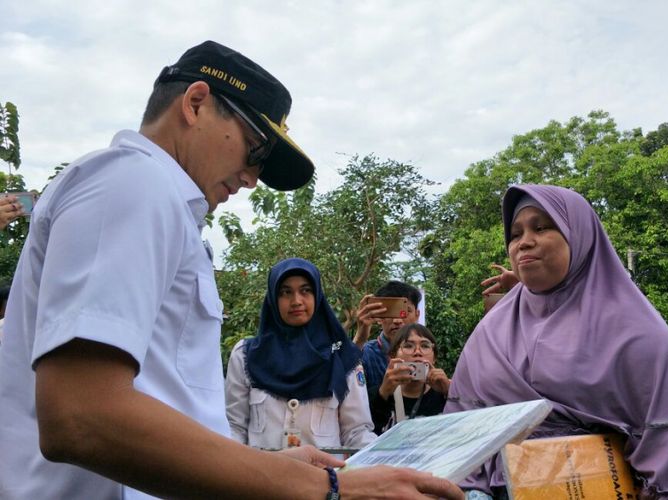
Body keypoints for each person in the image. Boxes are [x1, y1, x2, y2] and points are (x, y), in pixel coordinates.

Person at [0, 41, 463, 500]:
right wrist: (327, 488)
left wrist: (263, 469)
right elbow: (82, 416)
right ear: (196, 103)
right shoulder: (132, 183)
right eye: (254, 149)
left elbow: (164, 399)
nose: (251, 177)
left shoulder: (157, 201)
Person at [445, 184, 668, 498]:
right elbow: (460, 435)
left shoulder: (636, 333)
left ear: (579, 237)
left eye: (541, 228)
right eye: (515, 234)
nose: (524, 242)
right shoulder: (491, 332)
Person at [225, 257, 377, 449]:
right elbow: (234, 427)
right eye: (285, 292)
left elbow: (356, 432)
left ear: (317, 296)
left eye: (305, 291)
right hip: (261, 477)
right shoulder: (246, 356)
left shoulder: (340, 355)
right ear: (273, 298)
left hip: (323, 477)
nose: (296, 301)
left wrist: (381, 461)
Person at [369, 323, 450, 434]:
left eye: (425, 346)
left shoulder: (445, 392)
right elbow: (366, 435)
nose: (417, 352)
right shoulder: (377, 394)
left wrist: (450, 392)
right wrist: (382, 395)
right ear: (393, 356)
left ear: (434, 358)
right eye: (408, 346)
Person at [353, 280, 422, 394]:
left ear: (417, 315)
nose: (397, 320)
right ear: (379, 317)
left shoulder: (426, 352)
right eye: (390, 311)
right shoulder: (365, 354)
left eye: (405, 311)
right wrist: (360, 338)